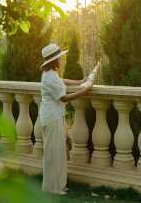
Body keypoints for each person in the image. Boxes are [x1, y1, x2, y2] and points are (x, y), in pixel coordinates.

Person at [39, 43, 99, 195]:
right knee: (54, 152)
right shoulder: (50, 78)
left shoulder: (50, 74)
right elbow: (64, 98)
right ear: (54, 61)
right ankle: (53, 188)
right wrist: (84, 90)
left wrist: (79, 82)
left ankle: (58, 185)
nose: (62, 60)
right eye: (60, 58)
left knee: (58, 151)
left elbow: (62, 80)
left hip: (53, 116)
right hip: (52, 118)